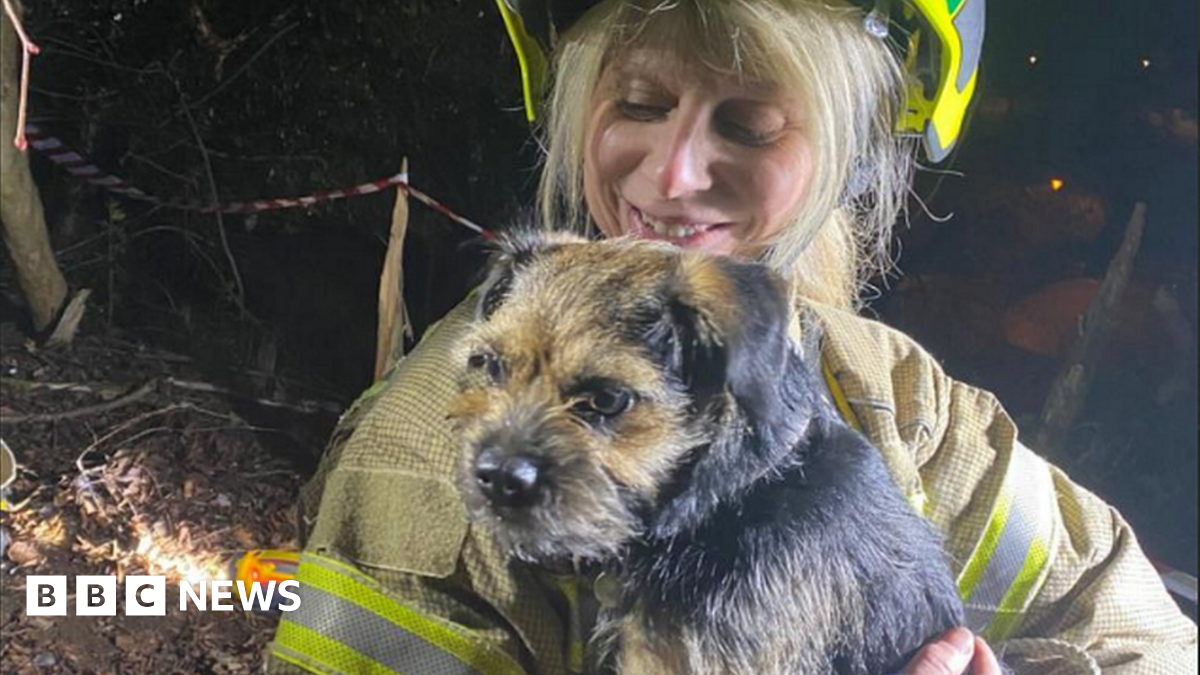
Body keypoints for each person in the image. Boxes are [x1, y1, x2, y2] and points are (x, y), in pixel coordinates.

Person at [264, 2, 1198, 674]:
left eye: (749, 123)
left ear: (850, 150)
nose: (672, 174)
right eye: (635, 102)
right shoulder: (420, 467)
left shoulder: (895, 391)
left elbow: (1150, 635)